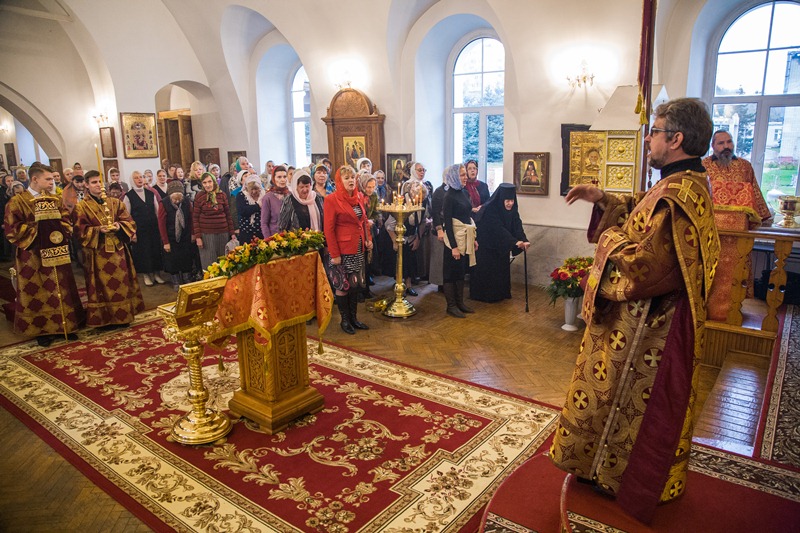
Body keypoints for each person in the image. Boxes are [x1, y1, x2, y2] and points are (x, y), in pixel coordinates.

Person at [549, 98, 721, 524]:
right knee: (617, 396)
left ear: (675, 139)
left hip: (652, 327)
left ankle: (621, 476)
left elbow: (646, 265)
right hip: (646, 319)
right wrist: (603, 198)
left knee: (631, 401)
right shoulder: (682, 184)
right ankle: (601, 465)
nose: (648, 140)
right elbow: (641, 212)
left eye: (654, 131)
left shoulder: (679, 196)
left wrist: (608, 241)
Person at [3, 163, 84, 346]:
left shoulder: (55, 199)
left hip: (57, 252)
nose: (51, 182)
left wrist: (60, 230)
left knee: (60, 287)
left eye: (52, 179)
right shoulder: (17, 202)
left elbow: (66, 220)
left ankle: (65, 325)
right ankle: (42, 330)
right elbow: (12, 229)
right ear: (34, 179)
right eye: (47, 179)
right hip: (32, 255)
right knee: (38, 290)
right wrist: (40, 229)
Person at [702, 130, 772, 320]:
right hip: (712, 234)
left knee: (736, 273)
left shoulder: (745, 166)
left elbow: (755, 194)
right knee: (711, 273)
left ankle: (733, 311)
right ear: (713, 146)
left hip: (739, 235)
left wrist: (763, 218)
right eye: (721, 143)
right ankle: (707, 312)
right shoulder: (704, 166)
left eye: (729, 142)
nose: (726, 146)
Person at [75, 170, 144, 329]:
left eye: (99, 181)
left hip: (118, 251)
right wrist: (98, 230)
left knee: (121, 282)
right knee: (101, 286)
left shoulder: (115, 202)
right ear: (86, 185)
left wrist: (119, 226)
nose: (98, 185)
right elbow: (79, 231)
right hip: (97, 253)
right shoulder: (82, 207)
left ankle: (124, 316)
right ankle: (104, 319)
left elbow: (130, 222)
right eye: (94, 182)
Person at [324, 165, 373, 335]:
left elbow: (363, 221)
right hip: (342, 250)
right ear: (339, 181)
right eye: (346, 178)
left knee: (355, 285)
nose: (351, 180)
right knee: (342, 285)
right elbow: (329, 229)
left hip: (358, 248)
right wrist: (335, 254)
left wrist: (368, 239)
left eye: (352, 177)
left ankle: (354, 318)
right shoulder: (331, 200)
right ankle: (344, 320)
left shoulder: (358, 196)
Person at [470, 184, 529, 302]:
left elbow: (517, 225)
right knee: (489, 271)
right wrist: (514, 242)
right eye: (507, 201)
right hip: (487, 245)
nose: (510, 204)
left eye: (512, 200)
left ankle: (501, 293)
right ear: (501, 199)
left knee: (501, 270)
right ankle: (484, 296)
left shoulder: (513, 210)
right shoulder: (490, 209)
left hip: (501, 244)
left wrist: (524, 240)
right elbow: (498, 228)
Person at [441, 163, 475, 318]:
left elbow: (468, 217)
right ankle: (451, 306)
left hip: (464, 237)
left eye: (465, 174)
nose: (465, 177)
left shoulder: (464, 192)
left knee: (460, 271)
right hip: (453, 240)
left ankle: (460, 303)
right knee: (450, 273)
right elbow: (448, 223)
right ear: (454, 176)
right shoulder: (449, 196)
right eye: (462, 175)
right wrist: (453, 247)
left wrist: (473, 239)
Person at [123, 170, 165, 286]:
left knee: (155, 251)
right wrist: (132, 232)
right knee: (143, 252)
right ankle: (146, 275)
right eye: (136, 178)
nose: (140, 179)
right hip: (139, 230)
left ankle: (157, 274)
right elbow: (127, 216)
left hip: (153, 228)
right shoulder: (128, 196)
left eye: (141, 177)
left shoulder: (151, 193)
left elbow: (157, 212)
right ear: (132, 180)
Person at [158, 180, 196, 288]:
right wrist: (165, 242)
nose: (177, 201)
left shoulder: (187, 201)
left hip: (185, 235)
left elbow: (191, 218)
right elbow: (161, 223)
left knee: (186, 257)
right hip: (170, 236)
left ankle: (186, 277)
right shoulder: (163, 203)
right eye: (175, 199)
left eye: (179, 198)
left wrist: (193, 233)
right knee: (172, 260)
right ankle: (176, 281)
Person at [192, 171, 234, 269]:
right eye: (204, 182)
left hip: (223, 232)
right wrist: (198, 237)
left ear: (214, 182)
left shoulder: (222, 195)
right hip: (207, 234)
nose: (207, 185)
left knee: (223, 263)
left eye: (209, 181)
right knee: (209, 263)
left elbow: (228, 215)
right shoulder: (199, 196)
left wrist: (232, 233)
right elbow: (195, 218)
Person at [260, 164, 290, 238]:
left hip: (290, 238)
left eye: (284, 177)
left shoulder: (290, 195)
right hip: (274, 238)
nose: (282, 180)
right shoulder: (268, 198)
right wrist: (268, 240)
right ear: (274, 178)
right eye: (279, 177)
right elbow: (264, 223)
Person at [237, 174, 265, 244]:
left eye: (256, 189)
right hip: (246, 232)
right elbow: (243, 211)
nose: (254, 192)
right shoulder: (241, 195)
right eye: (251, 189)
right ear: (247, 188)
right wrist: (258, 206)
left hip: (262, 232)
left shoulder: (264, 195)